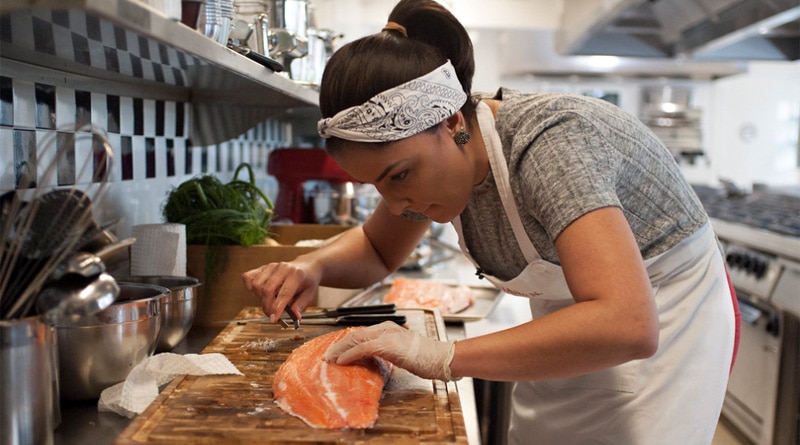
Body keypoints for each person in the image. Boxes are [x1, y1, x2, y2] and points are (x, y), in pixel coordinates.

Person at [242, 0, 740, 442]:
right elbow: (377, 249)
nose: (394, 205)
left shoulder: (550, 145)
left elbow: (628, 324)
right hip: (574, 317)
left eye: (399, 175)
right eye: (377, 185)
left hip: (664, 317)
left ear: (452, 121)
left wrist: (443, 357)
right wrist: (312, 268)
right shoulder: (442, 163)